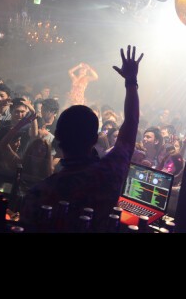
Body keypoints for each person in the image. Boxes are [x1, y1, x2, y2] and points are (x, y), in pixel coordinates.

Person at [20, 45, 143, 232]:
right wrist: (131, 81)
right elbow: (132, 122)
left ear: (58, 139)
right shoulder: (109, 172)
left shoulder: (40, 194)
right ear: (95, 139)